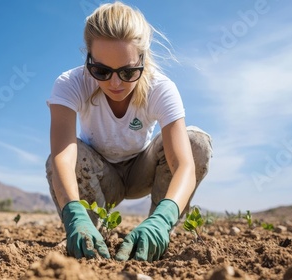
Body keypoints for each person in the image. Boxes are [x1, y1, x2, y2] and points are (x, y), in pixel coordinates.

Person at [45, 1, 212, 262]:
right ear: (88, 58)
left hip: (140, 172)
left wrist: (164, 218)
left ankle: (156, 231)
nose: (115, 83)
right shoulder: (70, 84)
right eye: (101, 71)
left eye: (128, 71)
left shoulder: (161, 88)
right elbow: (61, 157)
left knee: (196, 143)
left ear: (143, 60)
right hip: (99, 177)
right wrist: (73, 212)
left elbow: (184, 165)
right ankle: (91, 233)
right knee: (69, 157)